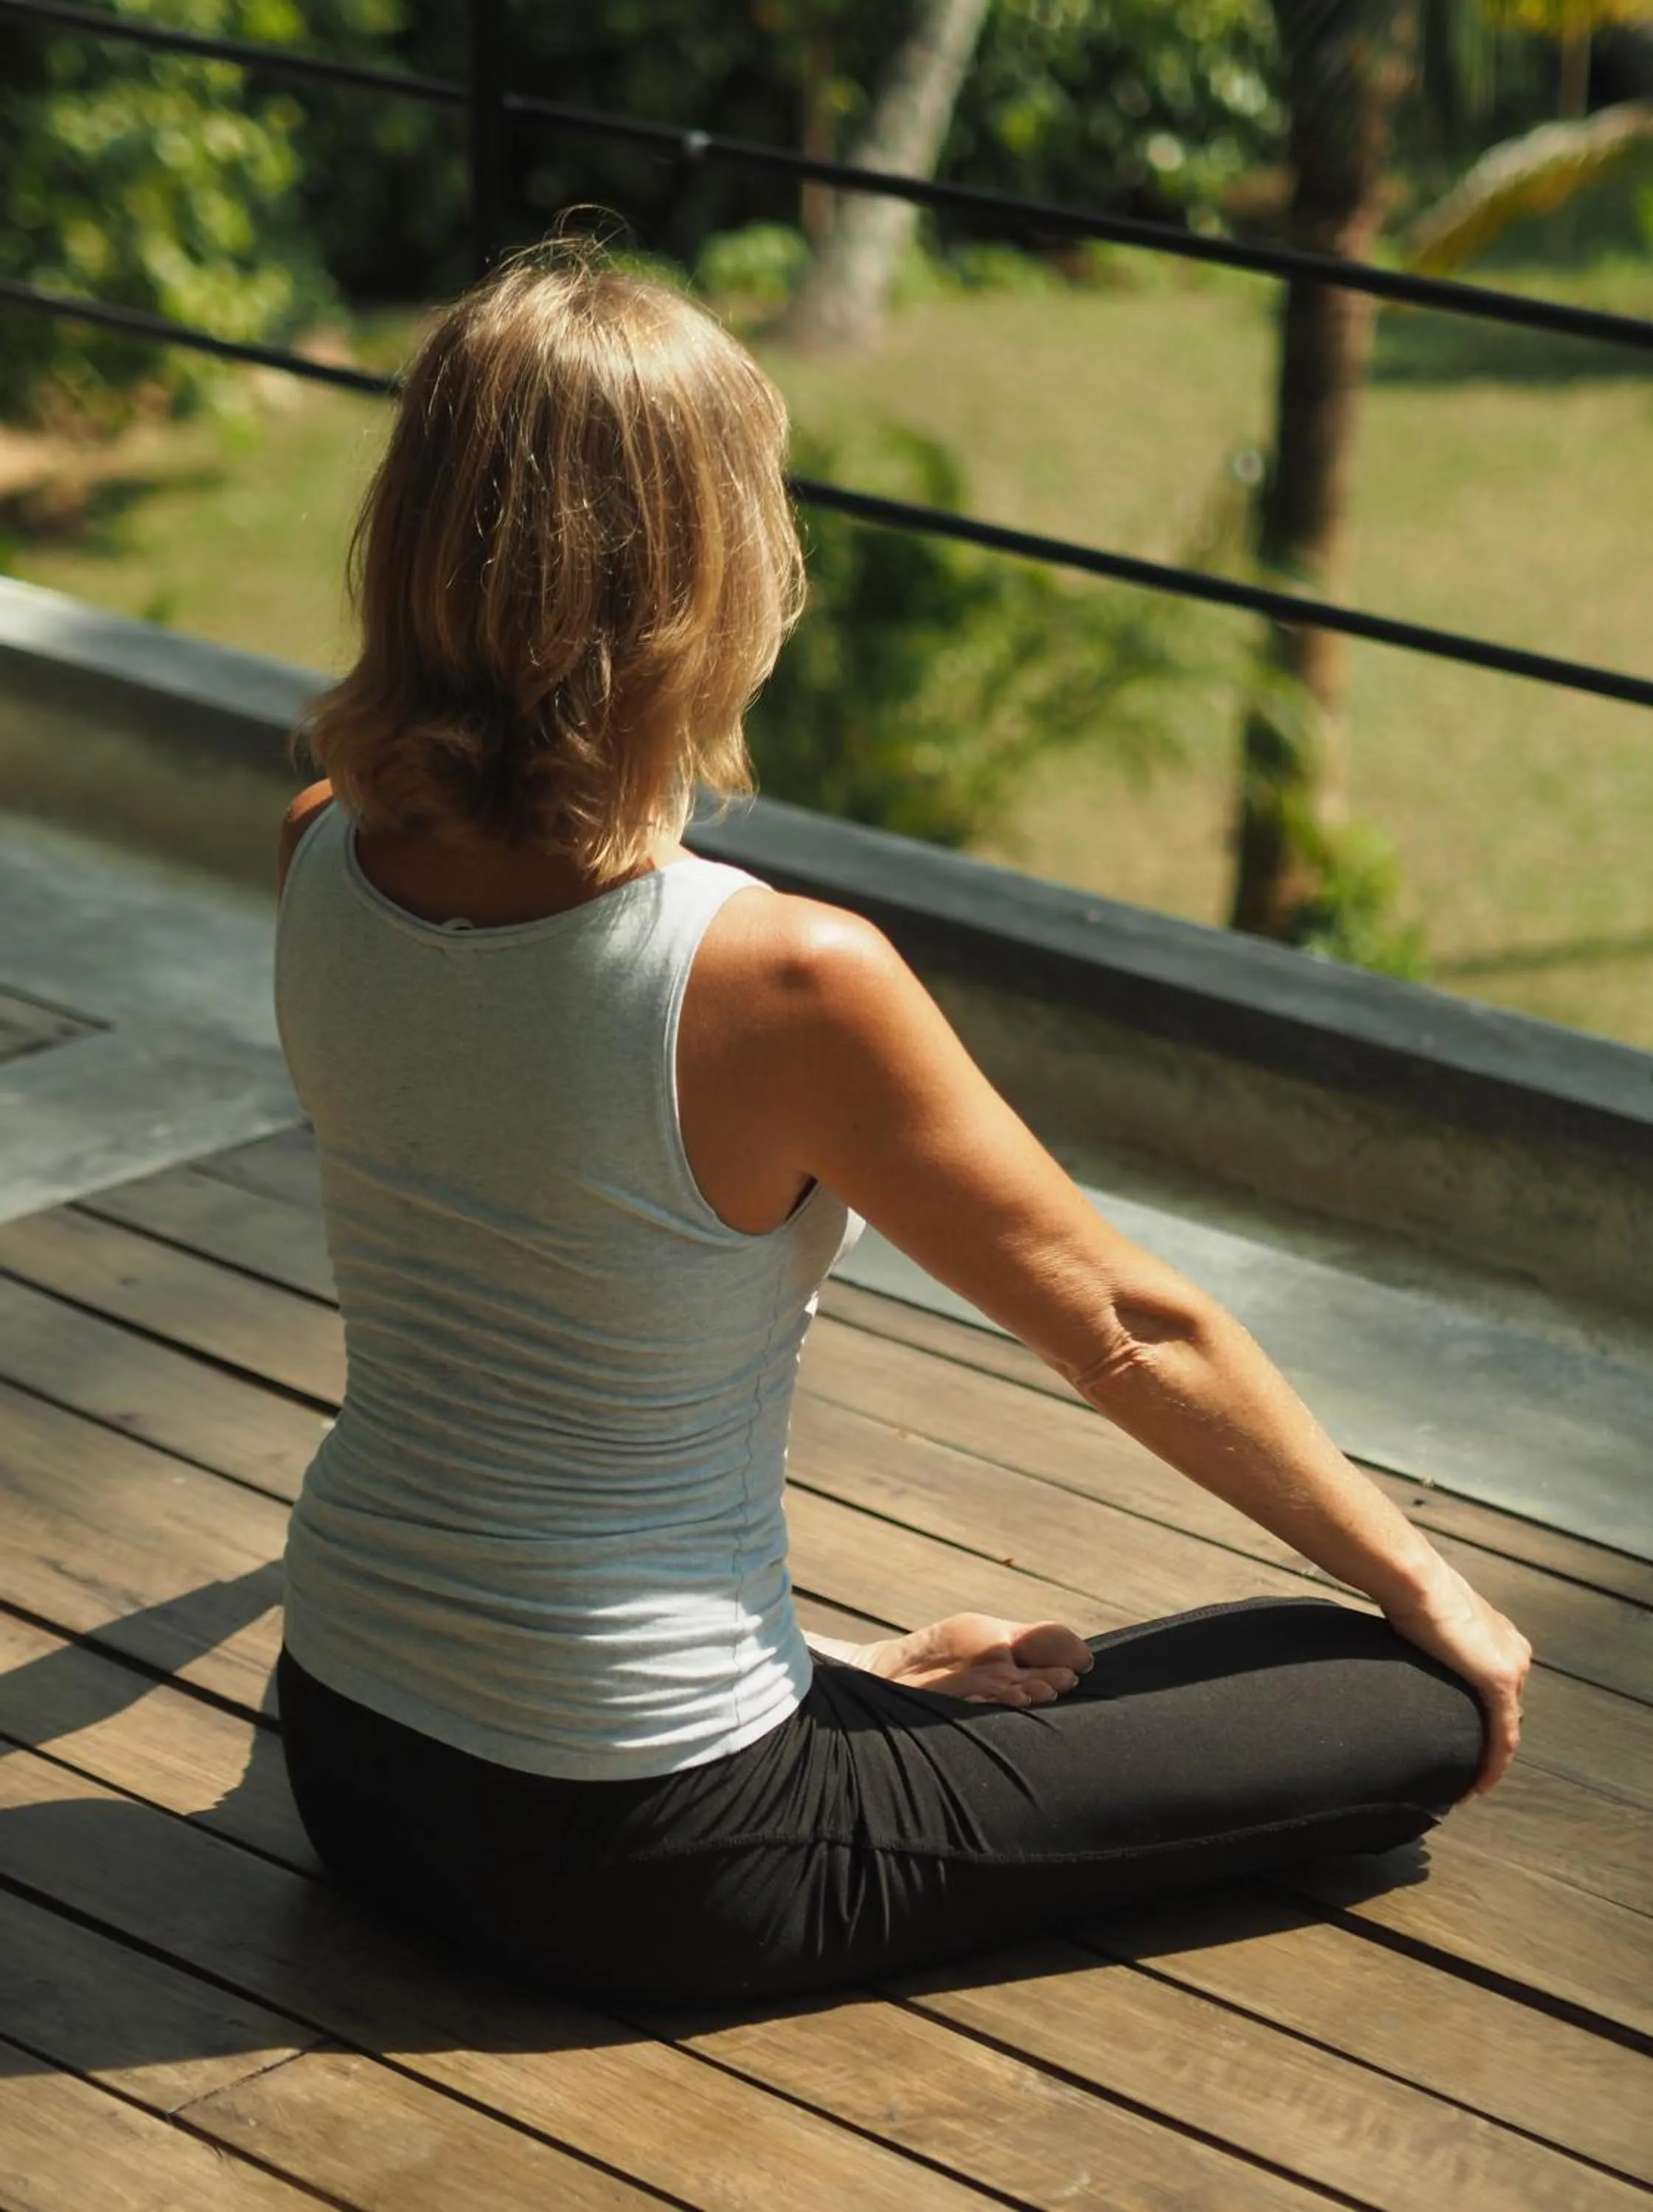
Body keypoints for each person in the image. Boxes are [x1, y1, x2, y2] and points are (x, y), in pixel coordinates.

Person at [273, 246, 1530, 2008]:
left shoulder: (322, 840)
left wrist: (832, 1669)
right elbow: (1128, 1327)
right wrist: (1429, 1587)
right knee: (1386, 1690)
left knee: (1088, 1675)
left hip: (353, 1749)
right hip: (655, 1852)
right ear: (705, 571)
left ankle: (813, 1699)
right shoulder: (774, 975)